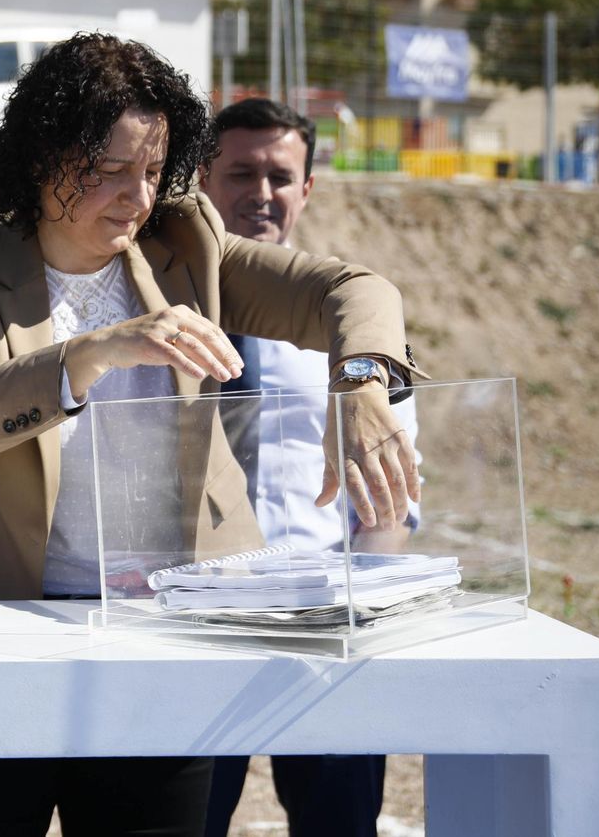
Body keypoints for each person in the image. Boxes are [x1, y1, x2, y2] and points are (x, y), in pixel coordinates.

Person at [0, 34, 422, 837]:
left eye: (151, 170)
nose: (137, 196)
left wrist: (359, 382)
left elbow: (352, 288)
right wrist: (95, 351)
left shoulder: (190, 245)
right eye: (108, 170)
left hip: (162, 641)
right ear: (42, 159)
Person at [199, 97, 417, 837]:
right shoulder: (157, 312)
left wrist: (360, 612)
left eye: (280, 175)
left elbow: (388, 499)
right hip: (194, 625)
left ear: (308, 188)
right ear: (202, 178)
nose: (261, 192)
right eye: (240, 172)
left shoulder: (355, 319)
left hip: (324, 625)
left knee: (338, 826)